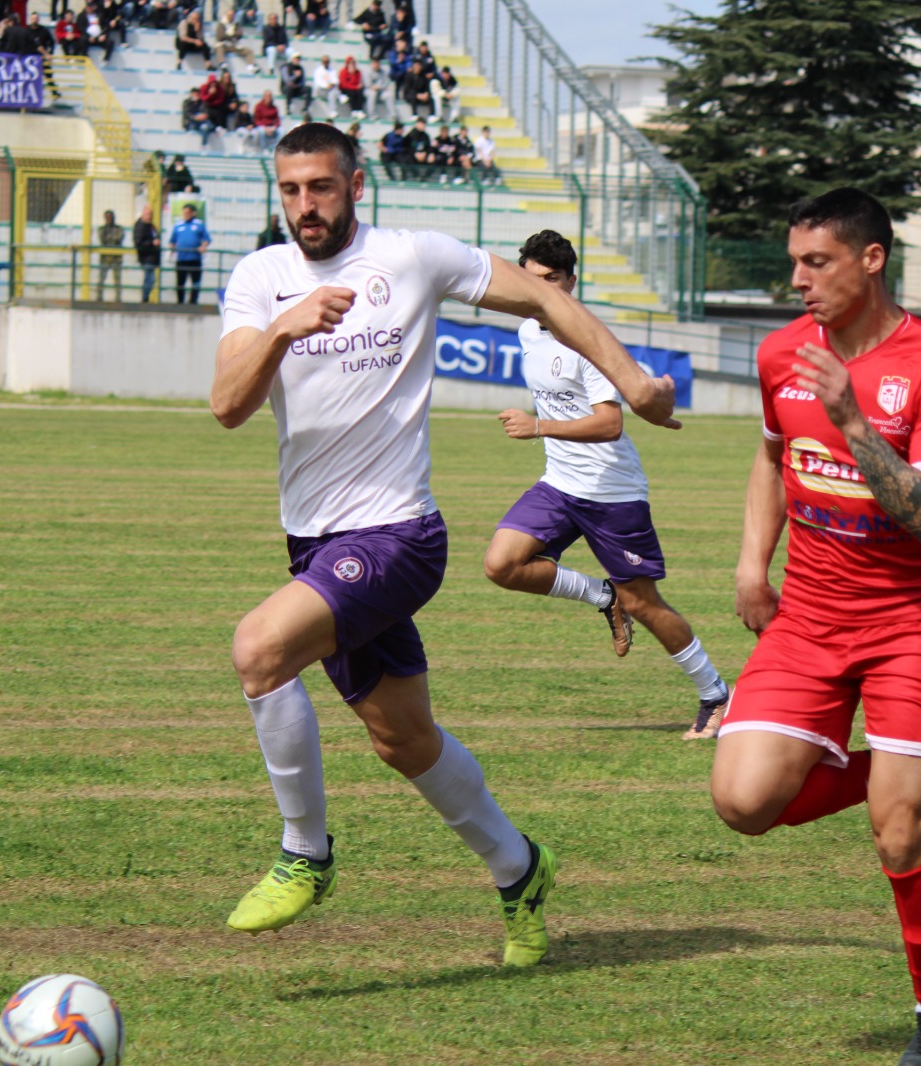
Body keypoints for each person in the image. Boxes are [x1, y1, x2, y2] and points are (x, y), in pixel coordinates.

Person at [210, 123, 677, 964]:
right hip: (314, 544)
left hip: (398, 535)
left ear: (355, 183)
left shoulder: (413, 256)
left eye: (320, 186)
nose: (305, 206)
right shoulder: (259, 278)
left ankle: (303, 854)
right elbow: (227, 403)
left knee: (258, 650)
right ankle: (519, 866)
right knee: (404, 741)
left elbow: (544, 299)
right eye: (289, 190)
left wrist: (634, 378)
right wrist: (285, 328)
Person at [712, 188, 921, 1066]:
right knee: (743, 802)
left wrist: (857, 423)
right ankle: (913, 773)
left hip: (911, 620)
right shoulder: (781, 351)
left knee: (900, 837)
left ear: (871, 260)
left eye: (816, 262)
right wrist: (755, 562)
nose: (798, 280)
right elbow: (771, 455)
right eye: (794, 262)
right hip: (812, 617)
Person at [485, 230, 730, 739]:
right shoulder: (529, 331)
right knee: (502, 564)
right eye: (533, 282)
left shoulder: (587, 342)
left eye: (553, 281)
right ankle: (602, 597)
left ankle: (715, 695)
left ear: (572, 282)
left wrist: (538, 426)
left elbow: (610, 424)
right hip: (560, 484)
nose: (544, 292)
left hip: (611, 492)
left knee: (644, 602)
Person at [169, 203, 210, 304]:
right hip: (181, 259)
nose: (185, 214)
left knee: (195, 282)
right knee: (180, 282)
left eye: (188, 213)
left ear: (192, 213)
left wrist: (203, 246)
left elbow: (207, 239)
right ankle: (180, 301)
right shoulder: (178, 225)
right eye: (184, 213)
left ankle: (193, 302)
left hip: (195, 258)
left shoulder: (199, 224)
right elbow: (172, 241)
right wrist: (172, 250)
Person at [213, 7, 255, 72]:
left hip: (233, 45)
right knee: (219, 48)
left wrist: (229, 35)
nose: (231, 17)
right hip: (224, 45)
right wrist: (231, 36)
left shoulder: (236, 24)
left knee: (248, 50)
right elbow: (220, 36)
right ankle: (222, 64)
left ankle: (251, 65)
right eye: (229, 15)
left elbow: (239, 34)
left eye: (232, 15)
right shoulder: (221, 24)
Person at [96, 208, 125, 301]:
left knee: (117, 279)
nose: (109, 219)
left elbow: (118, 238)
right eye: (107, 217)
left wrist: (110, 239)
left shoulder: (119, 229)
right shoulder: (101, 229)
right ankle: (99, 297)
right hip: (105, 258)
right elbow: (103, 239)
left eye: (111, 217)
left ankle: (118, 298)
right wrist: (112, 239)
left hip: (116, 258)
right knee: (101, 278)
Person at [133, 204, 160, 302]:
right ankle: (145, 298)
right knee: (150, 279)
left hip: (152, 257)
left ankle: (145, 298)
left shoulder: (151, 226)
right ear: (143, 214)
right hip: (146, 257)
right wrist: (152, 243)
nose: (150, 216)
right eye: (148, 214)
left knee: (149, 278)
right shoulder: (140, 226)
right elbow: (138, 242)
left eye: (151, 214)